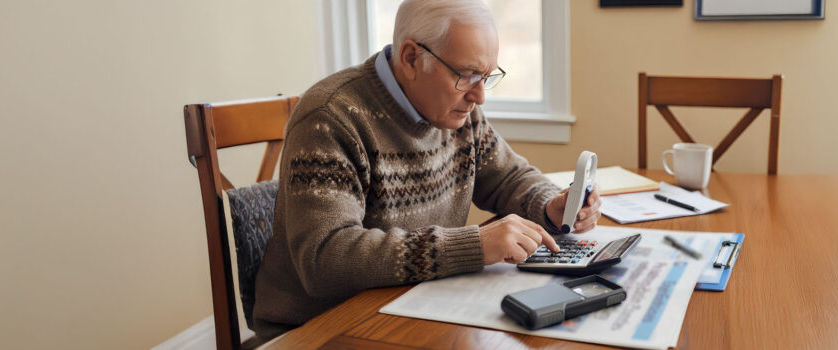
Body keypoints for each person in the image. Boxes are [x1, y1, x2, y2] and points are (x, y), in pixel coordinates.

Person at [251, 0, 601, 341]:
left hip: (414, 302)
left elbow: (509, 177)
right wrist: (472, 245)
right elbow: (325, 258)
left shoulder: (459, 112)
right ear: (411, 58)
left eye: (486, 76)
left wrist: (549, 204)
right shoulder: (331, 118)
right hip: (321, 326)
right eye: (467, 76)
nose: (479, 96)